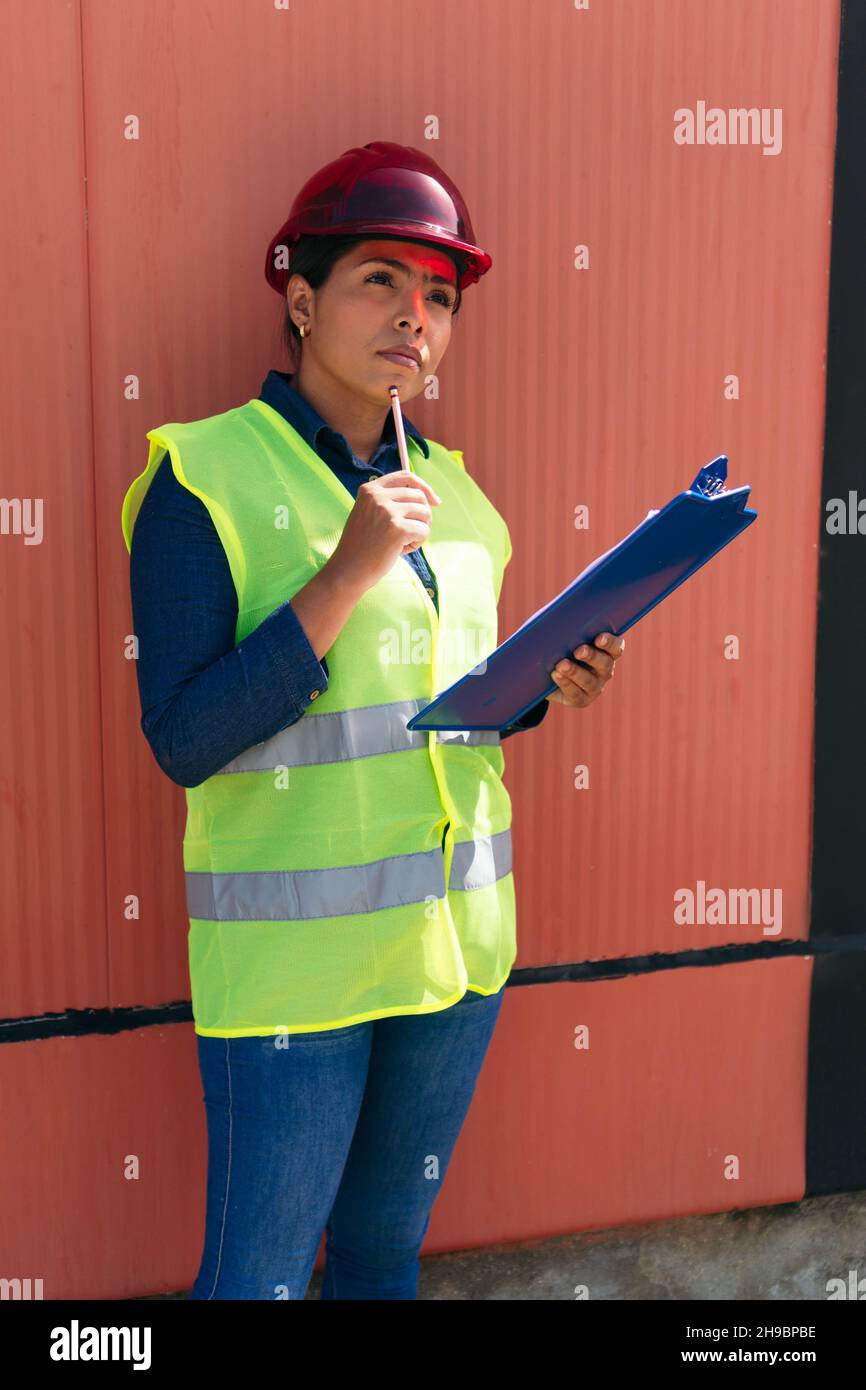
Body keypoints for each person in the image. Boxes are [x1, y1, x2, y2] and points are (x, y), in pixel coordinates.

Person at [120, 142, 625, 1300]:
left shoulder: (458, 493)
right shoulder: (200, 478)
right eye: (380, 281)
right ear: (299, 299)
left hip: (454, 961)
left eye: (439, 296)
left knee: (382, 1254)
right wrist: (344, 571)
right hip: (295, 976)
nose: (416, 316)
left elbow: (437, 716)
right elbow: (184, 737)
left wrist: (549, 684)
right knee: (255, 1282)